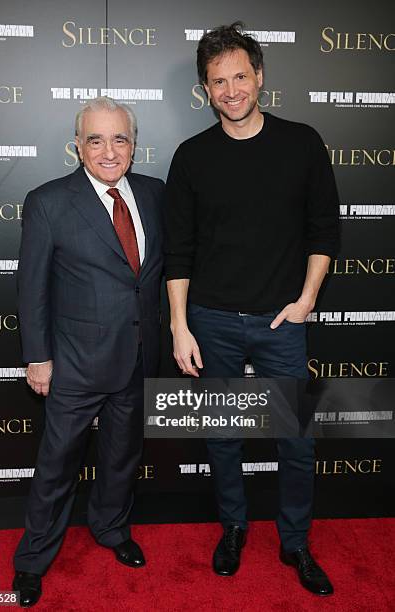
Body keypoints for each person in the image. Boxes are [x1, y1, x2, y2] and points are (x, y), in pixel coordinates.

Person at [164, 23, 339, 595]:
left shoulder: (302, 142)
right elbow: (179, 252)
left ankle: (295, 544)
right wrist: (179, 325)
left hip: (280, 322)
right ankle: (234, 529)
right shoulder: (191, 157)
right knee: (222, 436)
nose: (232, 89)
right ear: (205, 89)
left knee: (296, 440)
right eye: (219, 81)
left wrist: (306, 301)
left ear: (259, 76)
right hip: (211, 321)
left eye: (241, 75)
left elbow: (323, 231)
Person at [13, 97, 164, 607]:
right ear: (77, 145)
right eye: (95, 139)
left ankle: (111, 529)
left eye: (119, 139)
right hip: (75, 363)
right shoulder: (49, 201)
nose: (108, 150)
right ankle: (33, 559)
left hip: (140, 356)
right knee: (57, 465)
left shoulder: (154, 194)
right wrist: (38, 356)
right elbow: (31, 287)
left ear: (134, 145)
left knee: (122, 458)